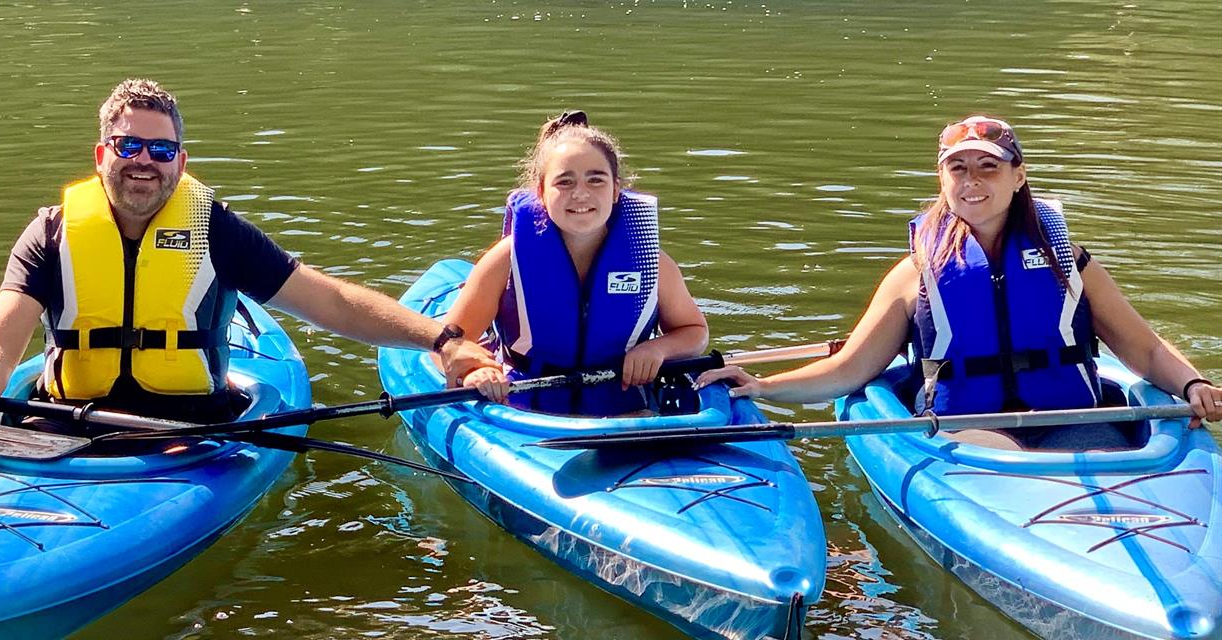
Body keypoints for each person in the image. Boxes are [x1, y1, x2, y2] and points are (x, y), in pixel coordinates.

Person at [0, 79, 500, 428]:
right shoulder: (51, 233)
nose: (145, 160)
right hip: (65, 424)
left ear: (181, 162)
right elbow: (2, 332)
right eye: (129, 145)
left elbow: (330, 302)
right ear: (101, 155)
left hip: (189, 431)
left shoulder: (216, 232)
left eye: (161, 148)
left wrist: (444, 342)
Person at [696, 115, 1221, 449]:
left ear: (1018, 177)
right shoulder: (914, 275)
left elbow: (1146, 351)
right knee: (996, 449)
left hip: (1074, 424)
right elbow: (850, 368)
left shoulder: (1070, 262)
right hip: (969, 433)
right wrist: (762, 385)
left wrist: (1193, 385)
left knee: (1101, 447)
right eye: (958, 169)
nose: (972, 181)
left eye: (988, 167)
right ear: (942, 180)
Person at [444, 111, 708, 416]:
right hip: (522, 403)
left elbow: (694, 331)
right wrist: (475, 370)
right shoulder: (506, 258)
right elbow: (447, 344)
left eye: (596, 179)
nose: (581, 194)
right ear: (542, 193)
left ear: (616, 190)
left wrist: (658, 348)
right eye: (564, 182)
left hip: (624, 403)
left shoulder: (652, 263)